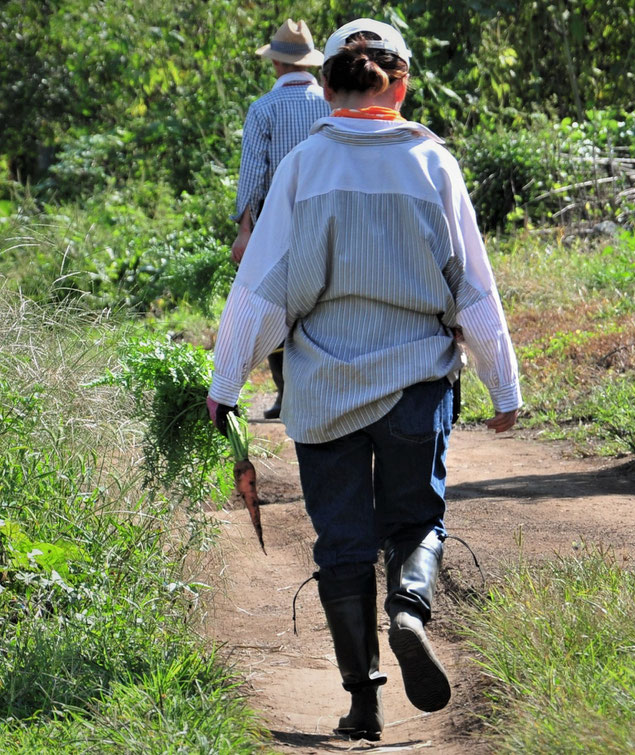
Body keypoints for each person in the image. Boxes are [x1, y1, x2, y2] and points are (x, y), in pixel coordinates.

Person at [207, 18, 521, 741]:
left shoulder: (304, 167)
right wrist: (503, 387)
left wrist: (226, 382)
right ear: (401, 83)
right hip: (417, 379)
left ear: (324, 89)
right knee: (414, 521)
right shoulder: (431, 164)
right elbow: (471, 284)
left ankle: (363, 700)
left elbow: (263, 290)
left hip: (322, 389)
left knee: (343, 542)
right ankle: (409, 608)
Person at [231, 18, 330, 419]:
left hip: (278, 225)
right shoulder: (329, 102)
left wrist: (244, 231)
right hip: (327, 220)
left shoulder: (263, 109)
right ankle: (318, 390)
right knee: (321, 302)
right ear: (307, 63)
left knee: (275, 303)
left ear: (276, 64)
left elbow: (253, 175)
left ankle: (287, 392)